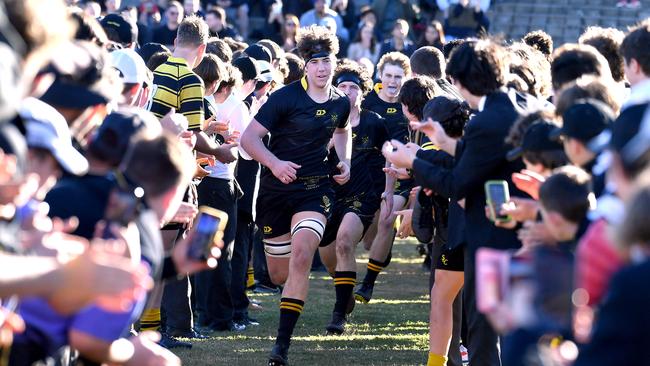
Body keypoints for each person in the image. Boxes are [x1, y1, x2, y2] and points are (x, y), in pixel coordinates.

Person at [404, 39, 532, 366]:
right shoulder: (523, 104)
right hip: (526, 235)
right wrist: (444, 144)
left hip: (495, 239)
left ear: (459, 81)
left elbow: (459, 182)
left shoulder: (485, 121)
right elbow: (479, 163)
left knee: (485, 336)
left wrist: (413, 161)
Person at [240, 25, 351, 366]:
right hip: (276, 191)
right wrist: (274, 164)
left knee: (303, 255)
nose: (322, 67)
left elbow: (342, 130)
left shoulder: (341, 102)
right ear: (305, 65)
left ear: (334, 63)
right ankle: (288, 295)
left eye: (327, 61)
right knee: (278, 275)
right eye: (315, 61)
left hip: (315, 189)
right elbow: (248, 139)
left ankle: (281, 348)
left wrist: (344, 160)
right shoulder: (284, 98)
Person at [317, 59, 387, 335]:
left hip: (363, 195)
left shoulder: (374, 123)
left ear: (362, 91)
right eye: (342, 86)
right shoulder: (324, 120)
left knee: (345, 242)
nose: (348, 91)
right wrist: (329, 143)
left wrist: (390, 193)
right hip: (329, 195)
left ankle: (338, 317)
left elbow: (390, 157)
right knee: (328, 255)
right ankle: (344, 291)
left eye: (353, 87)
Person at [356, 51, 411, 304]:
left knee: (387, 221)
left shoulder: (411, 104)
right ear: (380, 76)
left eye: (398, 76)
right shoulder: (367, 102)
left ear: (406, 78)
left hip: (400, 175)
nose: (393, 81)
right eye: (388, 75)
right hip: (370, 174)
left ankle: (368, 283)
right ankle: (381, 250)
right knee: (370, 241)